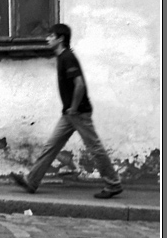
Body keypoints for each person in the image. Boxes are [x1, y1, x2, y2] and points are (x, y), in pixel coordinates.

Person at [10, 23, 122, 200]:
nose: (47, 39)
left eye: (51, 36)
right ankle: (31, 181)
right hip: (69, 114)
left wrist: (74, 108)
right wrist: (70, 110)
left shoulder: (67, 57)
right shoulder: (62, 57)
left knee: (94, 148)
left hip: (78, 113)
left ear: (60, 39)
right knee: (52, 146)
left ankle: (113, 183)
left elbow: (79, 84)